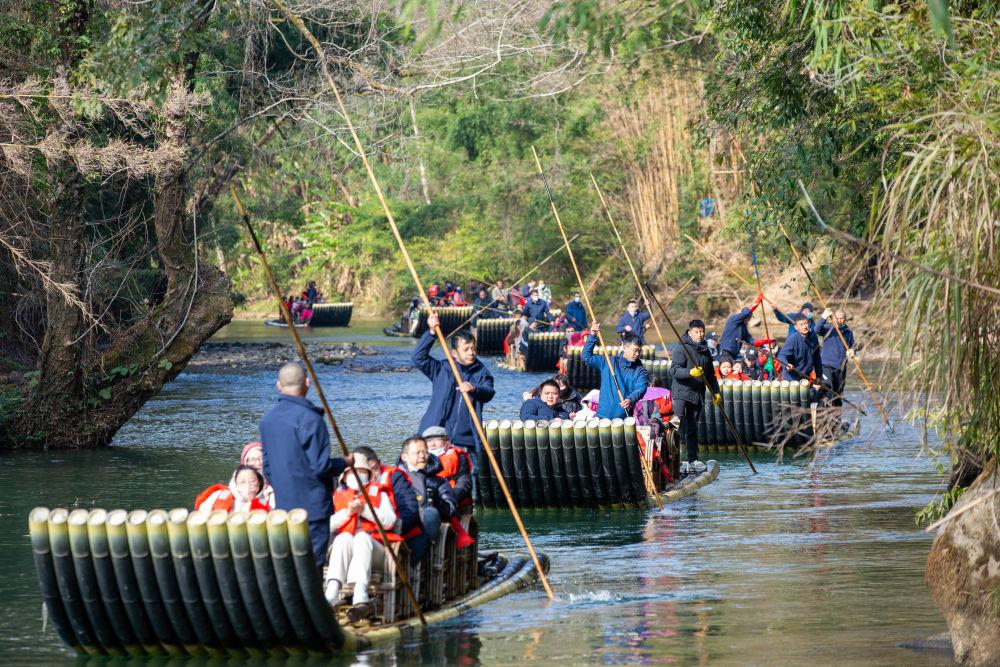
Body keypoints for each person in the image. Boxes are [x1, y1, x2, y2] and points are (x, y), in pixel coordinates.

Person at [260, 363, 351, 567]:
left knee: (290, 564)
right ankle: (311, 599)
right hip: (313, 506)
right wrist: (344, 463)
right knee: (312, 564)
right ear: (307, 384)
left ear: (278, 385)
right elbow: (321, 467)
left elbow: (267, 468)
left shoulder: (268, 420)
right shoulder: (311, 418)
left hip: (284, 504)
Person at [413, 313, 495, 473]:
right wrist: (431, 332)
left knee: (468, 484)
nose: (471, 352)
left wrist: (474, 389)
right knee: (430, 480)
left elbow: (489, 392)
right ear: (454, 353)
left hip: (465, 440)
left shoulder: (482, 373)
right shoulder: (441, 369)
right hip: (434, 437)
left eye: (473, 349)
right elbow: (418, 358)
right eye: (466, 349)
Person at [322, 451, 398, 606]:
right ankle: (332, 589)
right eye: (352, 472)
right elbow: (326, 526)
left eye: (362, 472)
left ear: (368, 474)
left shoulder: (379, 494)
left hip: (375, 549)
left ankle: (360, 589)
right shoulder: (336, 496)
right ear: (344, 476)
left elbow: (390, 521)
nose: (357, 475)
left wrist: (364, 510)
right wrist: (348, 513)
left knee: (362, 537)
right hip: (345, 549)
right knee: (343, 538)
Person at [667, 319, 721, 475]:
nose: (700, 334)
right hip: (681, 393)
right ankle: (673, 460)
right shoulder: (681, 348)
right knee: (676, 426)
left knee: (692, 428)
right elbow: (674, 371)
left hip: (697, 394)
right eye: (696, 331)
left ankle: (692, 460)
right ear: (689, 332)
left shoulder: (705, 350)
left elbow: (711, 375)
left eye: (702, 331)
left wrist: (716, 391)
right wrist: (689, 373)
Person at [398, 436, 457, 564]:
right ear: (404, 457)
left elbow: (451, 507)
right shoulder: (396, 478)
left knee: (430, 513)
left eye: (425, 452)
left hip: (426, 526)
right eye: (417, 452)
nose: (423, 455)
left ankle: (423, 556)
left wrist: (435, 500)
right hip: (402, 523)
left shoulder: (438, 481)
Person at [352, 446, 422, 545]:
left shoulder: (395, 477)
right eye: (365, 472)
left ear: (379, 462)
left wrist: (389, 527)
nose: (373, 476)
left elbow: (410, 512)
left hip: (397, 533)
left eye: (375, 469)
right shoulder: (349, 483)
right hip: (360, 534)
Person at [583, 326, 649, 419]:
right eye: (635, 350)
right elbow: (587, 357)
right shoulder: (609, 362)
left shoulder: (641, 371)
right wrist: (593, 335)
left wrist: (630, 399)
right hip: (602, 415)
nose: (637, 354)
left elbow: (641, 388)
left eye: (639, 351)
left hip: (623, 417)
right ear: (625, 348)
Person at [423, 426, 474, 508]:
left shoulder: (459, 457)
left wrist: (451, 498)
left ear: (446, 441)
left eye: (437, 439)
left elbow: (464, 482)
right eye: (428, 441)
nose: (432, 444)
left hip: (455, 499)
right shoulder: (420, 458)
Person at [816, 308, 855, 407]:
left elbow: (853, 345)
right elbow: (817, 329)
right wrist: (823, 317)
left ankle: (837, 420)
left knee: (838, 395)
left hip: (841, 368)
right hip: (826, 365)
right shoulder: (827, 328)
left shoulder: (848, 332)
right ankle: (826, 417)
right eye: (837, 318)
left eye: (841, 318)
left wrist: (852, 350)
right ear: (833, 318)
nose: (839, 320)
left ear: (845, 319)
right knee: (828, 391)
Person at [195, 464, 272, 513]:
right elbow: (202, 513)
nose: (247, 486)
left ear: (259, 483)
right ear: (235, 484)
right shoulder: (218, 495)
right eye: (242, 482)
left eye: (252, 481)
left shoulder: (265, 501)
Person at [777, 314, 824, 392]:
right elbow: (782, 356)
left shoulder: (814, 338)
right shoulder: (793, 339)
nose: (804, 326)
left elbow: (817, 359)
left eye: (806, 323)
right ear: (796, 327)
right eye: (801, 324)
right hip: (791, 377)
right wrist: (786, 364)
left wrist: (819, 376)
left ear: (809, 323)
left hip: (805, 376)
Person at [719, 293, 764, 362]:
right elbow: (746, 312)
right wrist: (757, 301)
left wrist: (765, 341)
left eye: (750, 317)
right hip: (726, 350)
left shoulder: (744, 327)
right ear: (743, 316)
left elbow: (751, 341)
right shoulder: (733, 319)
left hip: (734, 354)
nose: (749, 318)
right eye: (748, 316)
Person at [239, 441, 275, 507]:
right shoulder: (237, 486)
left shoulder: (276, 481)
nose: (258, 463)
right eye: (252, 459)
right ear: (245, 462)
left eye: (261, 458)